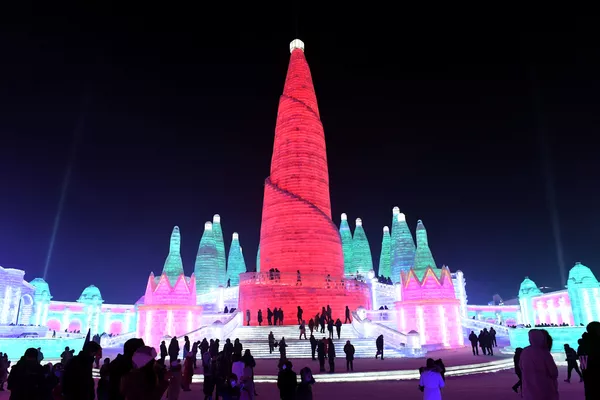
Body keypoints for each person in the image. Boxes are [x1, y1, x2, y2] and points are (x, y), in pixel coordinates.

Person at [519, 329, 559, 400]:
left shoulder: (525, 351)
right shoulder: (543, 352)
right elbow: (553, 372)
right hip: (545, 389)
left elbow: (520, 366)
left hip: (529, 389)